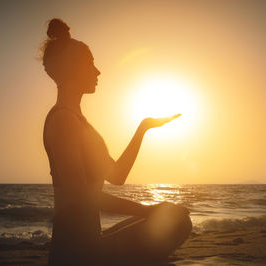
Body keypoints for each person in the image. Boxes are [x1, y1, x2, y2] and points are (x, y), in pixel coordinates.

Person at [40, 18, 192, 265]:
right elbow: (83, 198)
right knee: (177, 222)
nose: (98, 71)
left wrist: (143, 128)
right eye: (90, 63)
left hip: (91, 242)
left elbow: (117, 176)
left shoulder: (78, 121)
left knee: (171, 215)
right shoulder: (63, 121)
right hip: (77, 254)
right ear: (72, 68)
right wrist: (147, 210)